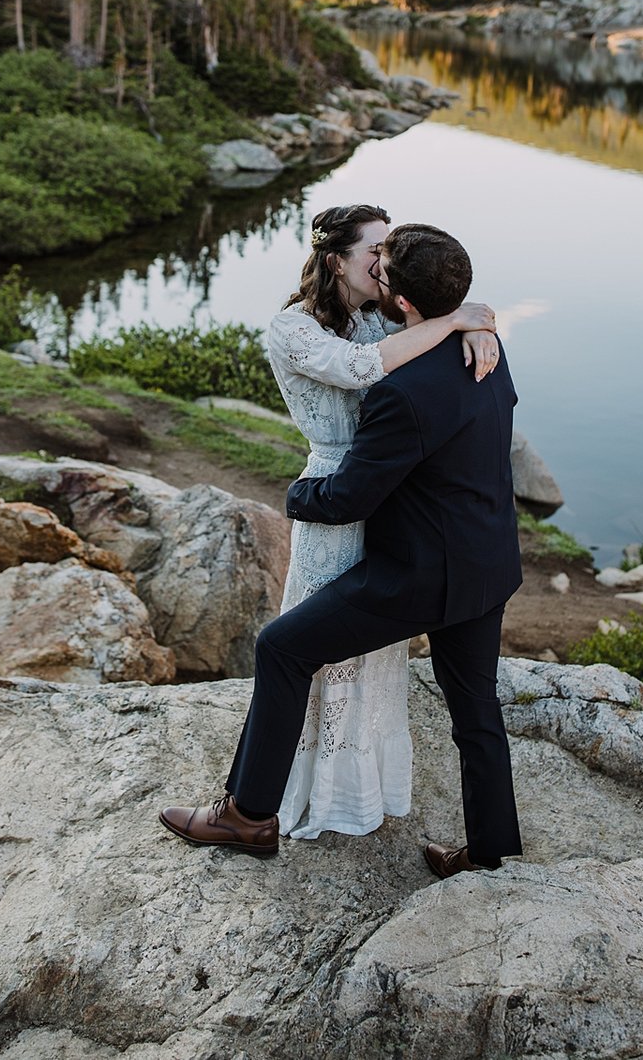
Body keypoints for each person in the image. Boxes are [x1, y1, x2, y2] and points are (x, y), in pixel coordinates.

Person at [160, 223, 523, 876]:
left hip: (417, 578)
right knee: (477, 709)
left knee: (280, 648)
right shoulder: (488, 355)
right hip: (488, 563)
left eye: (384, 269)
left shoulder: (400, 391)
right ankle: (490, 852)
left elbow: (348, 499)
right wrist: (476, 321)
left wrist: (296, 497)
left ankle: (247, 817)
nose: (374, 272)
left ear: (405, 304)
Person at [265, 204, 499, 840]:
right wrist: (457, 322)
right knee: (307, 650)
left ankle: (360, 786)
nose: (382, 262)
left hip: (388, 504)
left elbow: (430, 297)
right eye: (373, 250)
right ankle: (299, 786)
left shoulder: (382, 314)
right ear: (336, 258)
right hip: (335, 495)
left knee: (374, 657)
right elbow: (356, 369)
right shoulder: (292, 327)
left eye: (386, 253)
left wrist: (476, 329)